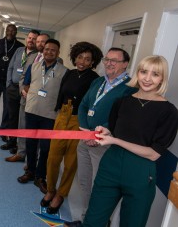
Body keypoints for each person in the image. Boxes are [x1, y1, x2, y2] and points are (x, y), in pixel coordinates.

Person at [68, 56, 178, 227]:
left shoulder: (169, 111)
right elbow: (116, 130)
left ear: (162, 79)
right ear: (137, 73)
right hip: (110, 166)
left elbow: (153, 154)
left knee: (132, 222)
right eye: (143, 72)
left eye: (155, 74)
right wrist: (106, 132)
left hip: (140, 172)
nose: (147, 78)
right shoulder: (122, 102)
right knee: (93, 220)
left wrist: (115, 140)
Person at [70, 47, 137, 223]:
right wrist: (86, 131)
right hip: (85, 139)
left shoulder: (130, 88)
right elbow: (84, 106)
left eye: (114, 60)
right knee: (84, 183)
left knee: (99, 187)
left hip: (105, 145)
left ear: (125, 64)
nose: (109, 63)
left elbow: (123, 118)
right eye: (107, 59)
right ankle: (85, 219)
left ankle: (98, 222)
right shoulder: (98, 82)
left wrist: (98, 134)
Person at [41, 42, 103, 214]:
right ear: (75, 57)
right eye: (80, 57)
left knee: (70, 162)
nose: (83, 61)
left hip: (79, 121)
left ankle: (61, 194)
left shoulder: (95, 80)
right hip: (62, 116)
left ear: (92, 62)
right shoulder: (69, 73)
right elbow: (61, 94)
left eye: (87, 59)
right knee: (53, 158)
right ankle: (51, 189)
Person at [17, 39, 68, 194]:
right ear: (42, 51)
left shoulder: (64, 72)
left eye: (53, 50)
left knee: (45, 148)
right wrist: (33, 95)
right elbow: (26, 84)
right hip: (32, 110)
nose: (49, 52)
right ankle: (30, 171)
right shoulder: (34, 66)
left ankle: (40, 176)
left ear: (58, 53)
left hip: (50, 114)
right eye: (46, 49)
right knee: (31, 144)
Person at [6, 33, 49, 162]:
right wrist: (22, 89)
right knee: (22, 126)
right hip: (26, 98)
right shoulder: (32, 57)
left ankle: (32, 159)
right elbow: (23, 75)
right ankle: (21, 153)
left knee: (36, 131)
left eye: (43, 42)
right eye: (38, 41)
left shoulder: (56, 61)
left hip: (41, 103)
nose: (40, 44)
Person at [1, 30, 39, 153]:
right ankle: (11, 141)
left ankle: (19, 145)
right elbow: (10, 67)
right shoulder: (19, 51)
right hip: (13, 88)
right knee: (11, 116)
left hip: (25, 91)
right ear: (26, 38)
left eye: (34, 39)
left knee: (22, 119)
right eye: (29, 37)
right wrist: (8, 84)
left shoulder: (38, 55)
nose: (31, 40)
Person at [0, 24, 24, 133]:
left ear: (16, 32)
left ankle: (3, 131)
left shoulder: (20, 48)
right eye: (8, 30)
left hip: (10, 82)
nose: (10, 33)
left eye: (13, 31)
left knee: (8, 107)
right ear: (6, 31)